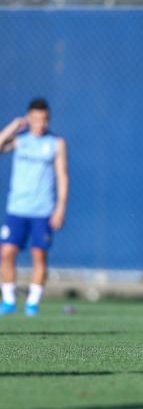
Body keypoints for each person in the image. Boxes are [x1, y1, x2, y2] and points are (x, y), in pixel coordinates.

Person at [0, 98, 69, 316]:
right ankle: (9, 300)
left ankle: (32, 302)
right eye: (36, 119)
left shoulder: (56, 143)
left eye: (44, 119)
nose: (40, 123)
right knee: (7, 252)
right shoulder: (20, 140)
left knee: (39, 255)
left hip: (42, 210)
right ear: (29, 118)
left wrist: (60, 207)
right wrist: (12, 127)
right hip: (17, 208)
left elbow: (62, 175)